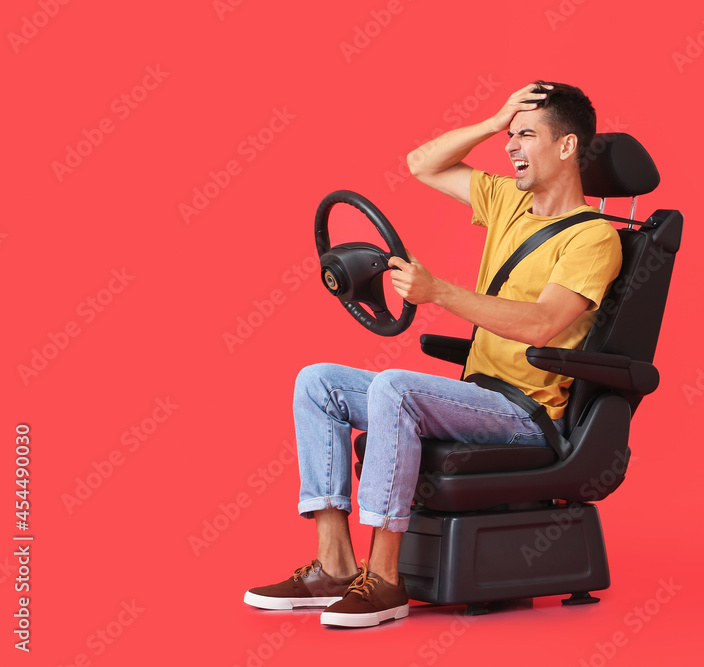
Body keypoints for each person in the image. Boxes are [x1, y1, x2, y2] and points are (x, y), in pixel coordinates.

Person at [244, 81, 623, 628]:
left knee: (394, 386)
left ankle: (386, 579)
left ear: (567, 147)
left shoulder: (593, 239)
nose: (512, 147)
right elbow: (422, 163)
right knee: (317, 381)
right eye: (509, 138)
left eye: (527, 136)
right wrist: (496, 120)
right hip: (477, 397)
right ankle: (334, 563)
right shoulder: (507, 201)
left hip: (525, 415)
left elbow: (543, 323)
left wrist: (440, 293)